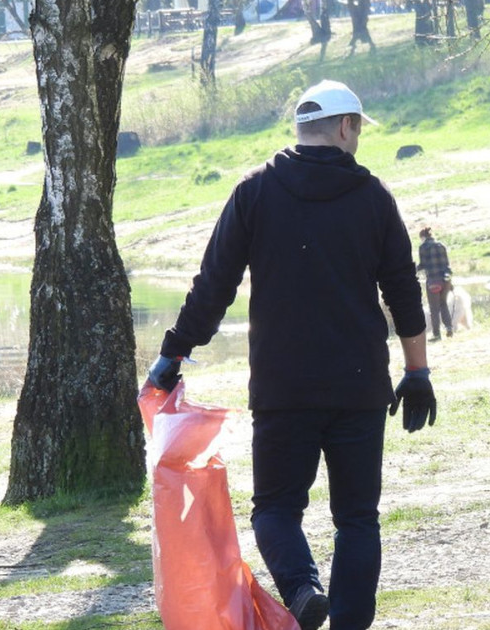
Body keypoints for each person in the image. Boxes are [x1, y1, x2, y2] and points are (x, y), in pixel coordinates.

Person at [145, 79, 438, 630]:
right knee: (357, 518)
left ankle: (302, 590)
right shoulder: (374, 198)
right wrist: (417, 371)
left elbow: (214, 285)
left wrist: (174, 352)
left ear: (302, 128)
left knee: (276, 509)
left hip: (283, 387)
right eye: (358, 130)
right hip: (358, 386)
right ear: (346, 126)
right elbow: (404, 291)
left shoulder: (254, 192)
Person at [417, 226, 454, 341]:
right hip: (446, 280)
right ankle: (449, 328)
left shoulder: (423, 247)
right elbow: (447, 264)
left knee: (434, 308)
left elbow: (422, 265)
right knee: (443, 304)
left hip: (433, 280)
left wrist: (412, 270)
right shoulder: (441, 245)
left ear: (422, 237)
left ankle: (437, 334)